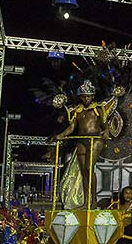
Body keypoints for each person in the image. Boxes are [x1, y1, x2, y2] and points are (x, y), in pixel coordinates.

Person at [53, 80, 124, 208]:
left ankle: (94, 201)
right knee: (83, 171)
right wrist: (61, 135)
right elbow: (72, 127)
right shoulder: (77, 111)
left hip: (95, 140)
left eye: (89, 96)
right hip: (81, 140)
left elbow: (104, 124)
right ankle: (86, 202)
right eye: (84, 96)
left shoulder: (98, 109)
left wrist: (106, 132)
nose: (87, 98)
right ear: (81, 97)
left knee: (89, 168)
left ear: (93, 96)